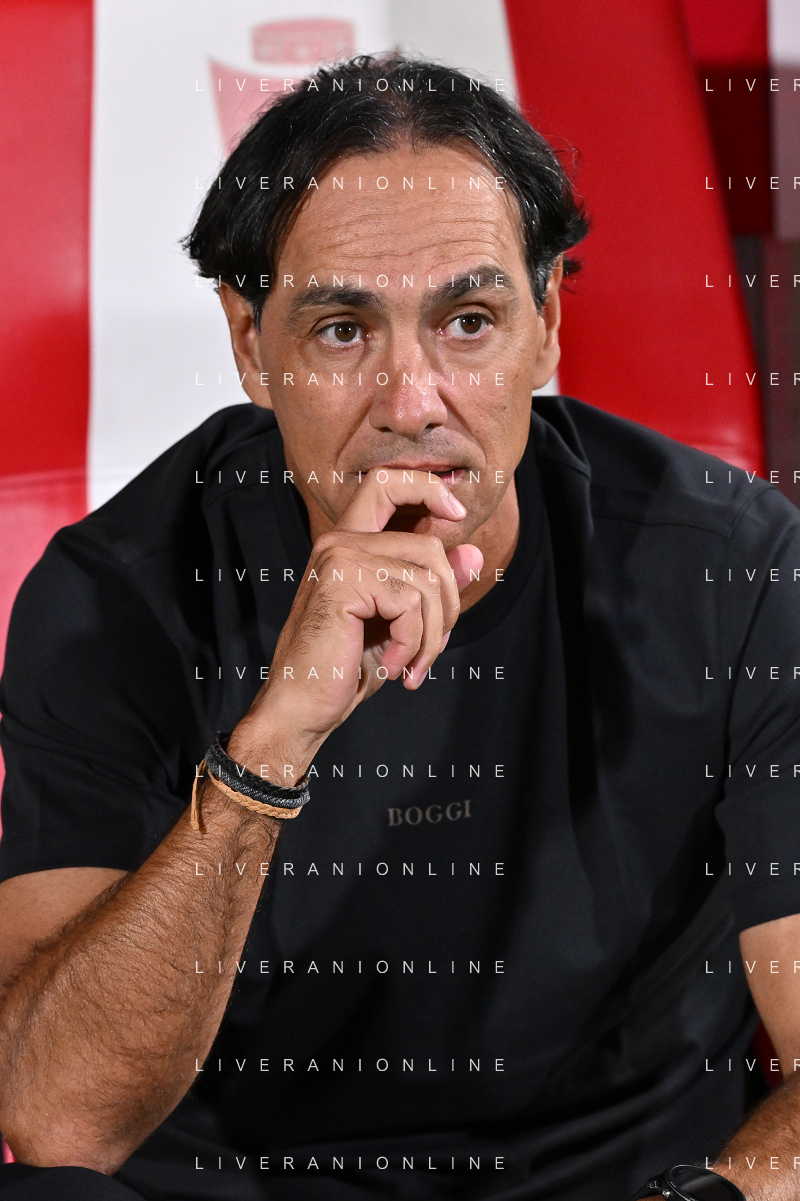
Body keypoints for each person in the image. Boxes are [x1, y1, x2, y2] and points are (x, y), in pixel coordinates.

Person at [0, 53, 799, 1201]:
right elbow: (57, 1116)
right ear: (250, 345)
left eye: (468, 321)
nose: (412, 401)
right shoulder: (113, 595)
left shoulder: (730, 564)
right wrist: (272, 744)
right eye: (341, 331)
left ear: (545, 325)